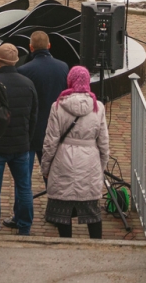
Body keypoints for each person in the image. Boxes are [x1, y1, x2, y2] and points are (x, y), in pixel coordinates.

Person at [42, 66, 109, 239]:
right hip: (89, 160)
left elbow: (50, 142)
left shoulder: (57, 106)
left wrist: (46, 168)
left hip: (63, 160)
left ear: (70, 81)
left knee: (62, 211)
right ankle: (97, 245)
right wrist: (100, 167)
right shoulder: (98, 107)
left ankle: (66, 245)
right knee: (92, 208)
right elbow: (103, 142)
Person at [0, 43, 38, 236]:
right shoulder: (27, 83)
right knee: (24, 187)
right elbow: (33, 115)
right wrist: (27, 139)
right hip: (21, 145)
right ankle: (24, 225)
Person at [18, 30, 70, 174]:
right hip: (55, 127)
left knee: (23, 179)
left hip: (31, 130)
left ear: (31, 47)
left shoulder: (23, 70)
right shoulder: (63, 67)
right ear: (49, 45)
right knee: (53, 176)